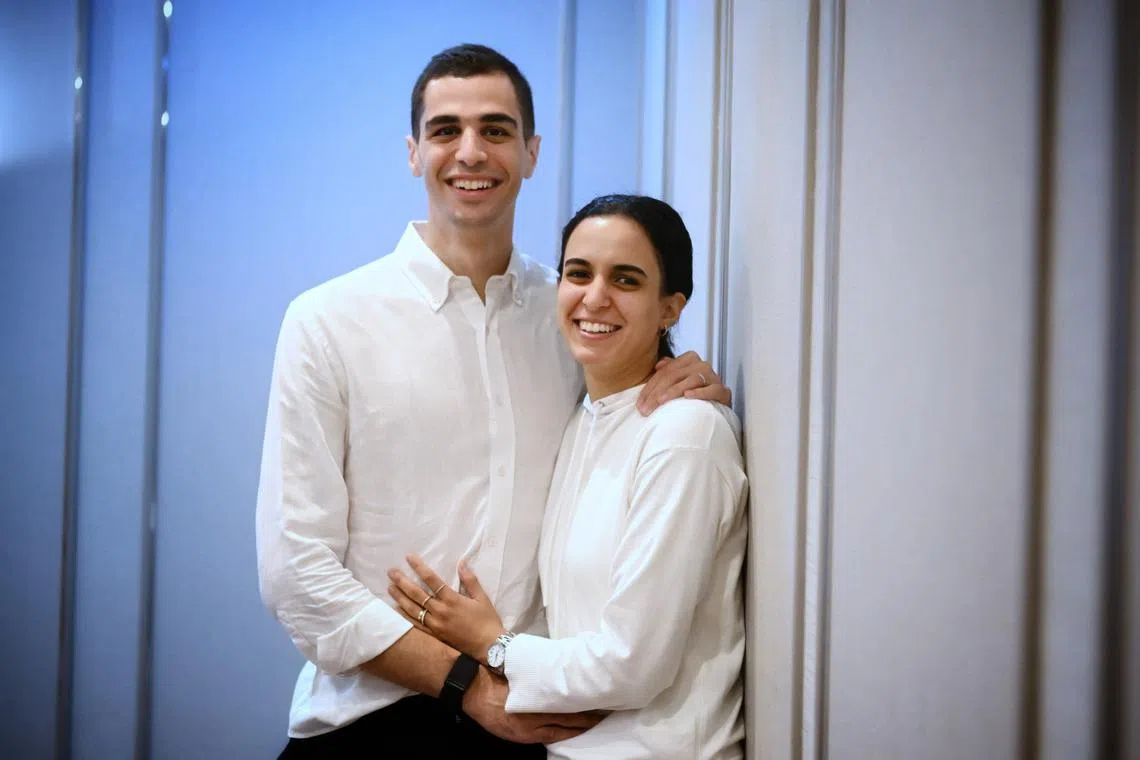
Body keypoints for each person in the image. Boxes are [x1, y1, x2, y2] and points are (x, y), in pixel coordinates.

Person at [255, 44, 730, 757]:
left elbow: (634, 397)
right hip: (371, 723)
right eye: (446, 130)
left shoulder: (571, 315)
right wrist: (464, 685)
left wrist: (694, 384)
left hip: (531, 726)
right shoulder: (327, 322)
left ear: (531, 152)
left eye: (496, 130)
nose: (471, 152)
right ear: (413, 152)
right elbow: (296, 574)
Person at [388, 194, 748, 759]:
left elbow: (634, 664)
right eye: (579, 274)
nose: (595, 297)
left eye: (625, 279)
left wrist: (492, 643)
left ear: (670, 308)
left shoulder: (685, 434)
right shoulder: (582, 421)